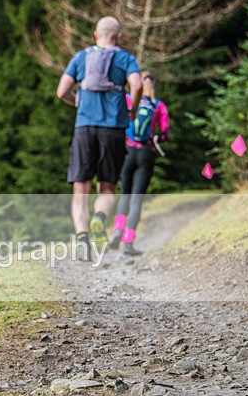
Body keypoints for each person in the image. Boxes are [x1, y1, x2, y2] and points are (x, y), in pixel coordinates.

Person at [56, 16, 142, 261]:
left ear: (96, 34)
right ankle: (99, 218)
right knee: (107, 187)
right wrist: (132, 111)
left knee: (80, 189)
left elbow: (61, 91)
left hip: (84, 128)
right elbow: (136, 85)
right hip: (113, 130)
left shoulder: (81, 57)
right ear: (119, 36)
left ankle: (83, 240)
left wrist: (79, 102)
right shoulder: (125, 58)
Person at [110, 71, 171, 256]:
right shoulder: (158, 105)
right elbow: (166, 133)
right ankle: (128, 242)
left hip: (127, 152)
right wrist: (158, 137)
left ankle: (117, 230)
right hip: (146, 154)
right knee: (137, 199)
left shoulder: (128, 99)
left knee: (124, 195)